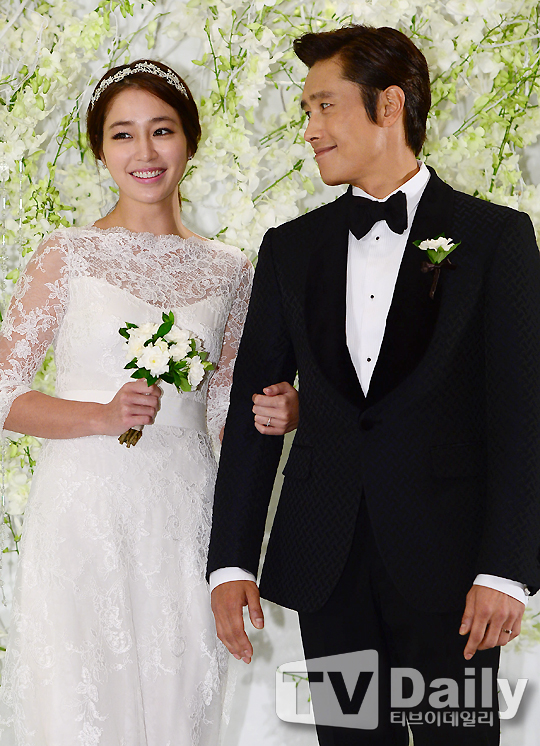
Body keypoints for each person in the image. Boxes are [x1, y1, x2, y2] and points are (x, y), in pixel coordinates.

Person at [207, 25, 540, 745]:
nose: (309, 129)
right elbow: (253, 405)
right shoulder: (289, 249)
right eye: (306, 111)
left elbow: (523, 417)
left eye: (324, 106)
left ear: (389, 105)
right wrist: (230, 559)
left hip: (453, 570)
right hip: (325, 563)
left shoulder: (496, 238)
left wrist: (506, 572)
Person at [0, 59, 299, 745]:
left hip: (186, 515)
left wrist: (286, 413)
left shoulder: (231, 268)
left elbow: (228, 412)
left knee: (179, 706)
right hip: (83, 514)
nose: (145, 152)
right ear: (101, 151)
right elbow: (4, 389)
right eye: (123, 135)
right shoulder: (67, 254)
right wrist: (100, 417)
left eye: (161, 130)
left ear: (189, 141)